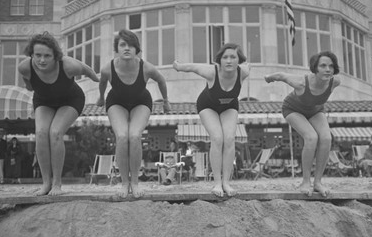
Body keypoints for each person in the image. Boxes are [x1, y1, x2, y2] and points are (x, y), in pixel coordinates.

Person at [18, 31, 99, 196]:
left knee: (55, 133)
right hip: (44, 101)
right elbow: (29, 85)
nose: (42, 60)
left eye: (47, 56)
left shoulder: (68, 65)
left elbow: (88, 70)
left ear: (55, 55)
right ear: (31, 54)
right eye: (37, 55)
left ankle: (57, 184)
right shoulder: (24, 67)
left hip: (70, 100)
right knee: (41, 133)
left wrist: (100, 85)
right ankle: (46, 183)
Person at [96, 29, 170, 199]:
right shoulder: (108, 68)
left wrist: (165, 101)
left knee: (134, 136)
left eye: (131, 45)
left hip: (141, 102)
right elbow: (102, 83)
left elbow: (161, 80)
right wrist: (100, 97)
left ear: (137, 49)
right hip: (116, 102)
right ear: (117, 49)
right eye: (123, 45)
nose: (127, 48)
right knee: (122, 137)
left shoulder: (146, 67)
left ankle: (135, 182)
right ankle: (124, 183)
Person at [173, 43, 250, 197]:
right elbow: (193, 67)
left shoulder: (243, 72)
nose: (229, 61)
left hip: (229, 106)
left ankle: (226, 183)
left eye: (233, 57)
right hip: (207, 105)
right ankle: (217, 183)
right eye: (225, 57)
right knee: (217, 138)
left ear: (238, 60)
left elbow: (248, 65)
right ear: (219, 61)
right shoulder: (211, 72)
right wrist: (179, 66)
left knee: (229, 139)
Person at [265, 51, 341, 197]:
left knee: (326, 138)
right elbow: (281, 76)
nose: (327, 70)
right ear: (315, 68)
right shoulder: (301, 82)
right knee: (311, 137)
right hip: (292, 109)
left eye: (331, 66)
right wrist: (269, 78)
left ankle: (318, 182)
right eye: (323, 66)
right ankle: (306, 181)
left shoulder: (334, 82)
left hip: (315, 110)